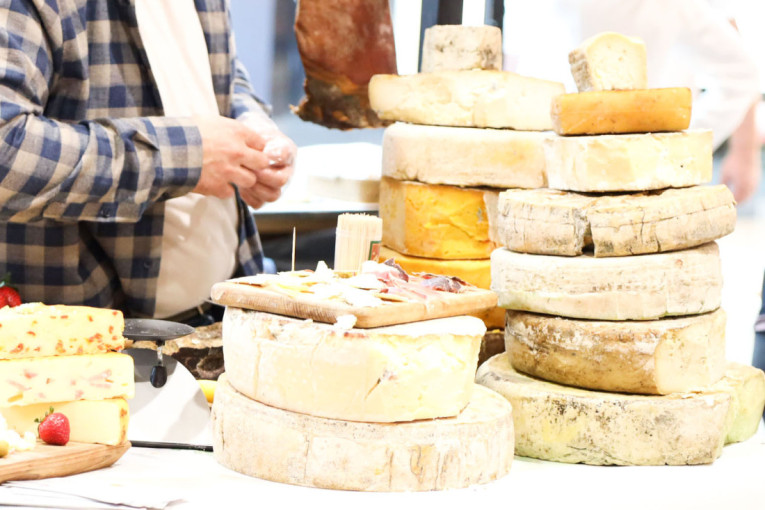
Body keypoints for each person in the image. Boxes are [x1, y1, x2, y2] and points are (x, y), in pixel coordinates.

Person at [0, 0, 296, 323]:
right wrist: (183, 156)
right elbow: (6, 151)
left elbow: (211, 73)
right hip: (91, 344)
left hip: (224, 311)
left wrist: (251, 124)